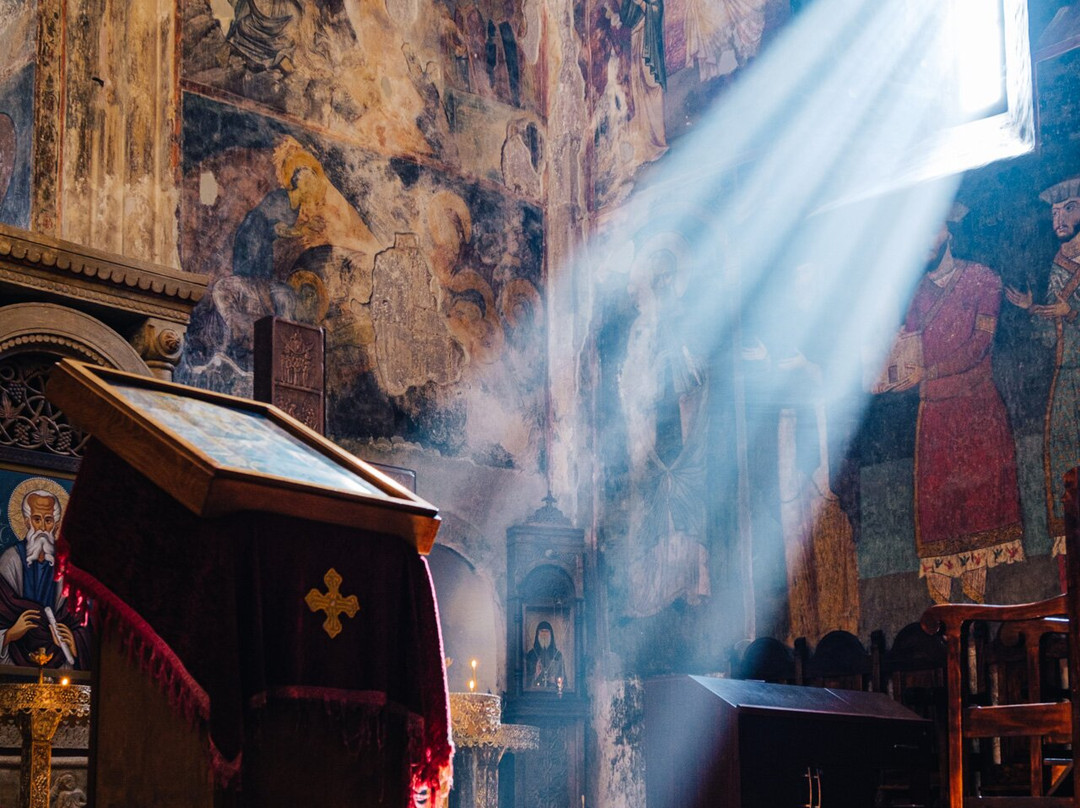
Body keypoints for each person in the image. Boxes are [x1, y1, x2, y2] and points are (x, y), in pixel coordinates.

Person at [883, 217, 1024, 603]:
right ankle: (948, 628)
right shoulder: (919, 294)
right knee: (938, 523)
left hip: (975, 410)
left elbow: (979, 344)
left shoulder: (983, 279)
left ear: (948, 231)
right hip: (934, 417)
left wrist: (928, 372)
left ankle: (978, 623)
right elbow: (909, 350)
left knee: (978, 518)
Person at [1006, 176, 1080, 569]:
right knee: (1067, 464)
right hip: (1068, 375)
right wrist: (1033, 311)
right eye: (1054, 212)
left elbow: (1069, 313)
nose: (1060, 218)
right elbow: (1051, 333)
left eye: (1069, 208)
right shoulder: (1058, 264)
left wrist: (1073, 311)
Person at [0, 486, 91, 668]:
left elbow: (85, 619)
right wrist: (9, 634)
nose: (42, 527)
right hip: (13, 663)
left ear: (56, 525)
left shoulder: (68, 567)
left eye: (48, 520)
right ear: (26, 521)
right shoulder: (10, 560)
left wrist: (74, 642)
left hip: (61, 663)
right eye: (36, 519)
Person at [525, 621, 565, 689]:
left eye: (546, 631)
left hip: (553, 694)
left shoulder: (557, 655)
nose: (544, 634)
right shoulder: (531, 655)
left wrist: (555, 680)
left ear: (551, 634)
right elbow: (525, 681)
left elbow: (563, 678)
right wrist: (536, 674)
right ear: (537, 634)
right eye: (541, 631)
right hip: (534, 694)